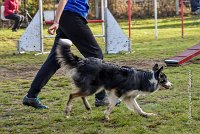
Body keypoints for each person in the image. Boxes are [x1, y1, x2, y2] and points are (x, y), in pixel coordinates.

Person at [22, 0, 109, 109]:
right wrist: (56, 21)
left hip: (68, 18)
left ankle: (31, 96)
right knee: (95, 54)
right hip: (72, 17)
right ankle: (101, 98)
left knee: (55, 59)